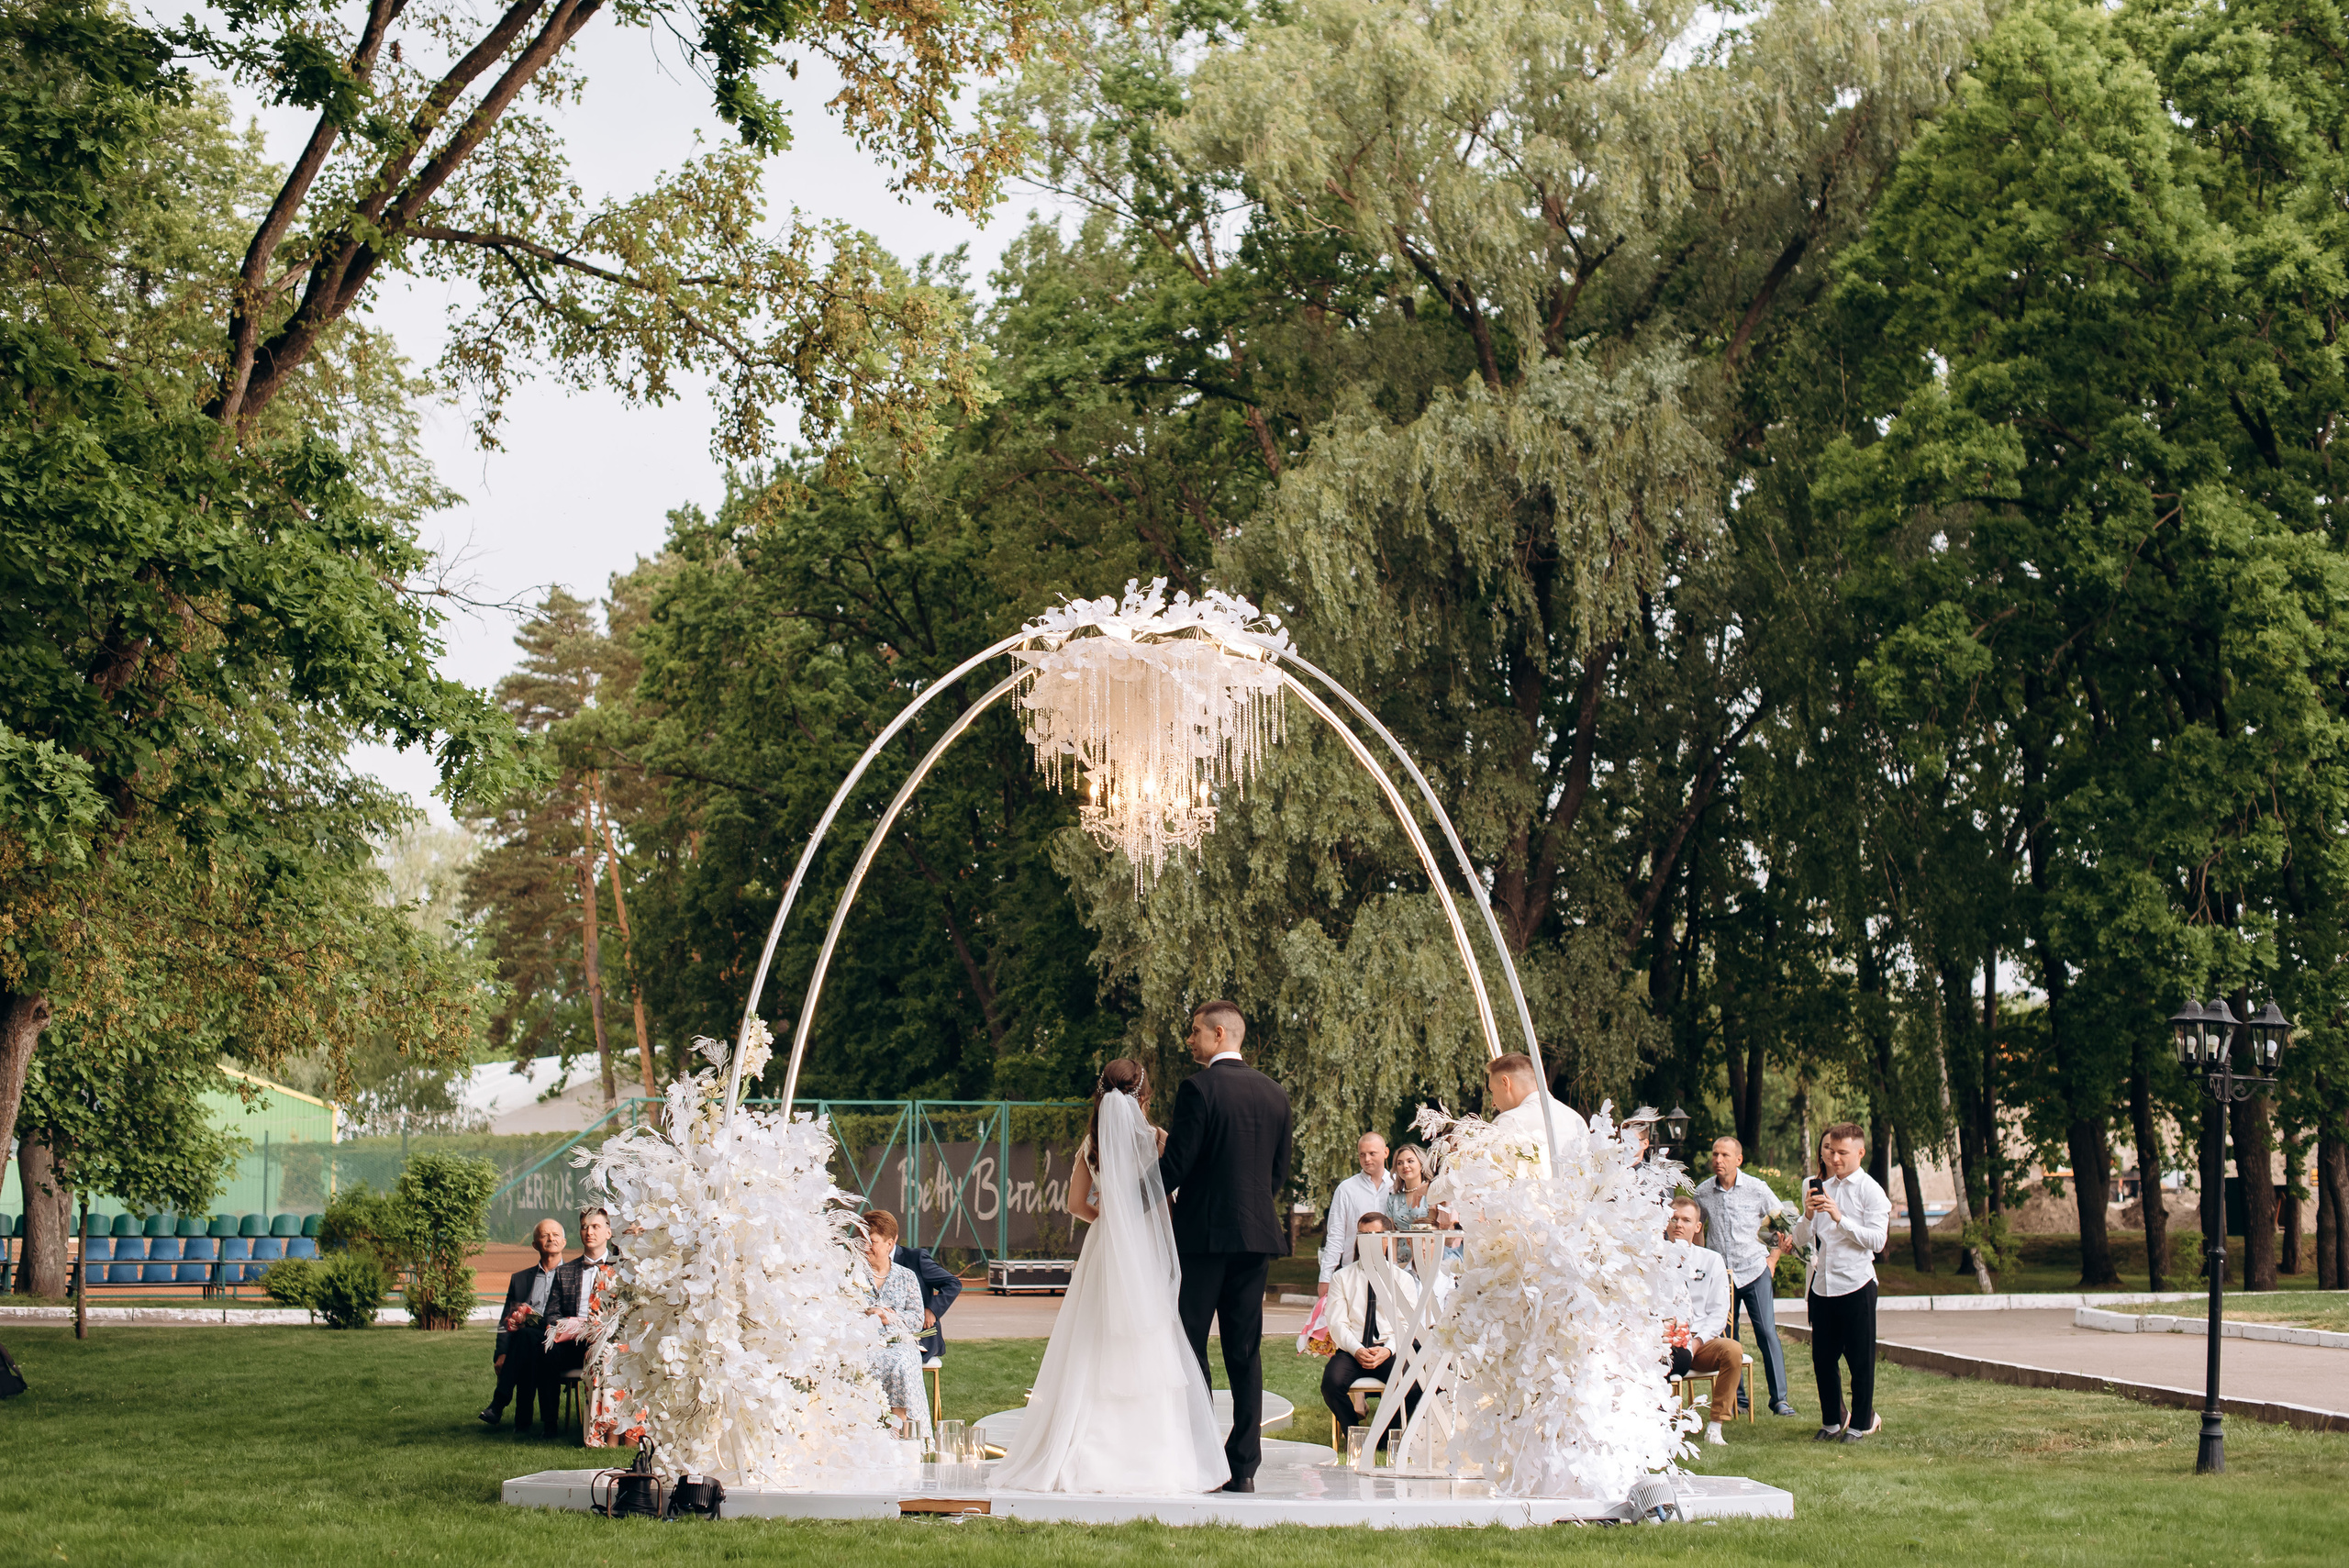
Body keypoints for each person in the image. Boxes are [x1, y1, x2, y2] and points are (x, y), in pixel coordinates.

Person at [993, 1059, 1228, 1494]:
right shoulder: (1157, 1141)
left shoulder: (1094, 1141)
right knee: (1149, 1335)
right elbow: (1169, 1200)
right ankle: (1156, 1457)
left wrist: (1109, 1218)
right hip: (1145, 1248)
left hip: (1105, 1246)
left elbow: (1075, 1204)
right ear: (1145, 1096)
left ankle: (1084, 1451)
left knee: (1094, 1339)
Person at [1159, 1001, 1295, 1493]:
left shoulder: (1198, 1089)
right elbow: (1277, 1172)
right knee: (1245, 1349)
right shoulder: (1275, 1093)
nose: (1190, 1041)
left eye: (1195, 1032)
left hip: (1202, 1239)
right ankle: (1243, 1468)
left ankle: (1199, 1457)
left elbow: (1177, 1165)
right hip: (1256, 1237)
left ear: (1219, 1034)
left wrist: (1129, 1195)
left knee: (1191, 1345)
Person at [1793, 1123, 1891, 1442]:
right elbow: (1800, 1240)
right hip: (1823, 1284)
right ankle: (1832, 1420)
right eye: (1831, 1151)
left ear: (1860, 1153)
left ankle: (1862, 1423)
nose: (1834, 1159)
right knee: (1823, 1358)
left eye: (1842, 1153)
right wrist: (1807, 1216)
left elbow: (1877, 1241)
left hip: (1857, 1282)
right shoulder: (1819, 1186)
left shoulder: (1871, 1190)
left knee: (1861, 1359)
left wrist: (1840, 1218)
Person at [1691, 1136, 1798, 1417]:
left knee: (1766, 1332)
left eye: (1725, 1155)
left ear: (1738, 1159)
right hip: (1720, 1276)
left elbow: (1781, 1222)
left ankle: (1780, 1400)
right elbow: (1698, 1230)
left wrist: (1772, 1261)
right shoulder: (1702, 1193)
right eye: (1715, 1154)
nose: (1718, 1160)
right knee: (1728, 1338)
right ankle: (1738, 1399)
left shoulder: (1757, 1188)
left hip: (1753, 1269)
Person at [1320, 1212, 1421, 1440]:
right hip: (1353, 1350)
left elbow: (1408, 1323)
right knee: (1331, 1383)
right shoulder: (1342, 1277)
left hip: (1388, 1349)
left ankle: (1383, 1438)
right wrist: (1356, 1349)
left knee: (1412, 1385)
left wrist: (1388, 1349)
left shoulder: (1402, 1279)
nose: (1367, 1240)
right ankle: (1355, 1434)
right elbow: (1337, 1322)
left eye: (1374, 1235)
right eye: (1363, 1235)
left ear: (1387, 1239)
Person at [1661, 1197, 1744, 1445]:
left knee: (1733, 1350)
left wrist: (1696, 1342)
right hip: (1666, 1339)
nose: (1678, 1224)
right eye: (1674, 1219)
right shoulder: (1654, 1257)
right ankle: (1661, 1422)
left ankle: (1716, 1426)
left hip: (1701, 1341)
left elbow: (1719, 1312)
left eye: (1686, 1220)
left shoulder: (1711, 1260)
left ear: (1697, 1227)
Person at [537, 1207, 620, 1439]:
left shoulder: (622, 1270)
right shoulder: (565, 1272)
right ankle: (550, 1425)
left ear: (608, 1232)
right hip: (574, 1342)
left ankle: (610, 1429)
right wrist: (566, 1326)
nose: (589, 1232)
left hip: (608, 1341)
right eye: (585, 1227)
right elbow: (551, 1313)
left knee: (610, 1352)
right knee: (547, 1350)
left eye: (595, 1227)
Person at [480, 1218, 564, 1429]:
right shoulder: (520, 1279)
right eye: (545, 1235)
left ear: (563, 1242)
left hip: (560, 1341)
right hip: (527, 1343)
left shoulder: (572, 1275)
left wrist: (534, 1320)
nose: (551, 1238)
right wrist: (501, 1353)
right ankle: (547, 1424)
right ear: (535, 1244)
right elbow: (506, 1320)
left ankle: (499, 1404)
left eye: (555, 1235)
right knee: (526, 1339)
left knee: (527, 1337)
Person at [858, 1210, 930, 1436]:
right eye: (863, 1240)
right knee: (864, 1362)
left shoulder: (907, 1277)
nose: (866, 1246)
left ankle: (901, 1429)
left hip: (900, 1343)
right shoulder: (852, 1275)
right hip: (864, 1344)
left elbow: (917, 1320)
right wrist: (866, 1314)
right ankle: (870, 1431)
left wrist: (889, 1317)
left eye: (873, 1242)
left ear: (889, 1244)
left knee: (902, 1362)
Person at [1317, 1131, 1390, 1296]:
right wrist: (1325, 1277)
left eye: (1372, 1153)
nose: (1367, 1159)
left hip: (1390, 1271)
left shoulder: (1397, 1186)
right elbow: (1335, 1235)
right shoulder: (1346, 1189)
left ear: (1385, 1152)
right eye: (1362, 1154)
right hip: (1353, 1271)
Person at [1486, 1053, 1587, 1173]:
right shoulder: (1577, 1119)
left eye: (1492, 1090)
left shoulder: (1509, 1120)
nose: (1493, 1103)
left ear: (1505, 1082)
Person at [893, 1230, 963, 1364]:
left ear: (891, 1240)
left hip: (919, 1336)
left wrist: (932, 1309)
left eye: (872, 1241)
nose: (866, 1246)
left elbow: (953, 1283)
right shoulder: (863, 1261)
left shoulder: (916, 1258)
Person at [1381, 1145, 1435, 1229]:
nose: (1405, 1166)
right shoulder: (1392, 1200)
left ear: (1421, 1165)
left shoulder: (1432, 1194)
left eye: (1410, 1161)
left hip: (1427, 1242)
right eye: (1400, 1163)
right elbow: (1391, 1234)